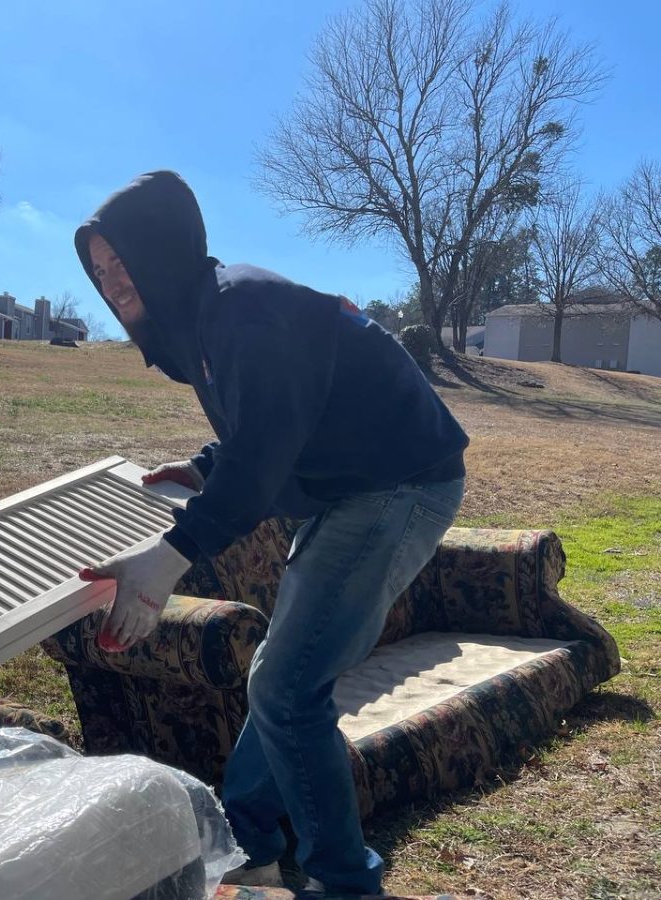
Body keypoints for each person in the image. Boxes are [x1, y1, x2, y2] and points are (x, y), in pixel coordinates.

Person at [74, 171, 468, 895]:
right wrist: (204, 467)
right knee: (281, 681)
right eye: (99, 270)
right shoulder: (208, 316)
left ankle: (343, 884)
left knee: (287, 688)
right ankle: (250, 845)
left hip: (398, 483)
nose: (112, 281)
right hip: (351, 487)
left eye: (121, 259)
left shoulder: (240, 307)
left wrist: (167, 560)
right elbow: (276, 418)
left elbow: (264, 451)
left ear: (161, 247)